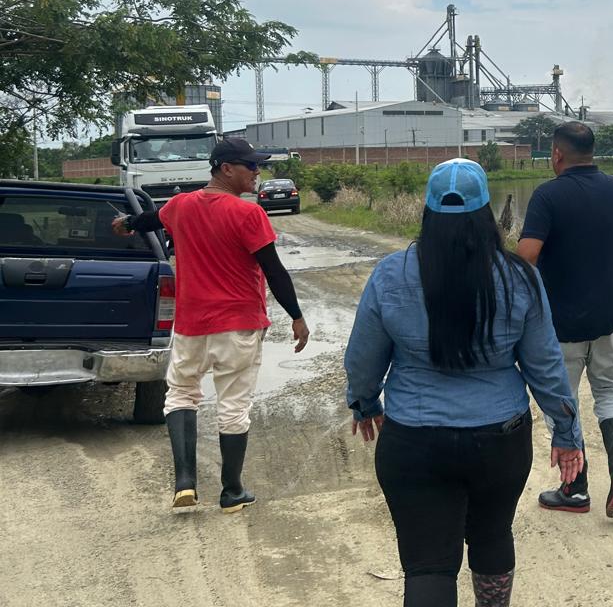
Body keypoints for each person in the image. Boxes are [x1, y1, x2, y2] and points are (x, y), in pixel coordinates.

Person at [345, 158, 584, 607]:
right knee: (492, 534)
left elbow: (363, 358)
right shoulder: (520, 277)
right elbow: (545, 365)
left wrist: (364, 403)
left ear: (428, 212)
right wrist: (566, 432)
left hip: (414, 441)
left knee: (428, 562)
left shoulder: (390, 274)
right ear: (486, 213)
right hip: (500, 441)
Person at [113, 137, 310, 513]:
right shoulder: (248, 214)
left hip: (191, 325)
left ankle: (185, 483)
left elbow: (151, 219)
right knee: (233, 405)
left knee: (181, 394)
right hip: (238, 324)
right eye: (251, 166)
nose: (257, 172)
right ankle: (231, 491)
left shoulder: (180, 206)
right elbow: (273, 270)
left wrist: (127, 223)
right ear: (226, 169)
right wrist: (297, 317)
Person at [516, 121, 613, 518]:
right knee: (611, 389)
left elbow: (526, 256)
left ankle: (575, 488)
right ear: (592, 151)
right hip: (611, 315)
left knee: (563, 399)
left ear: (557, 154)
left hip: (561, 323)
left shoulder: (548, 195)